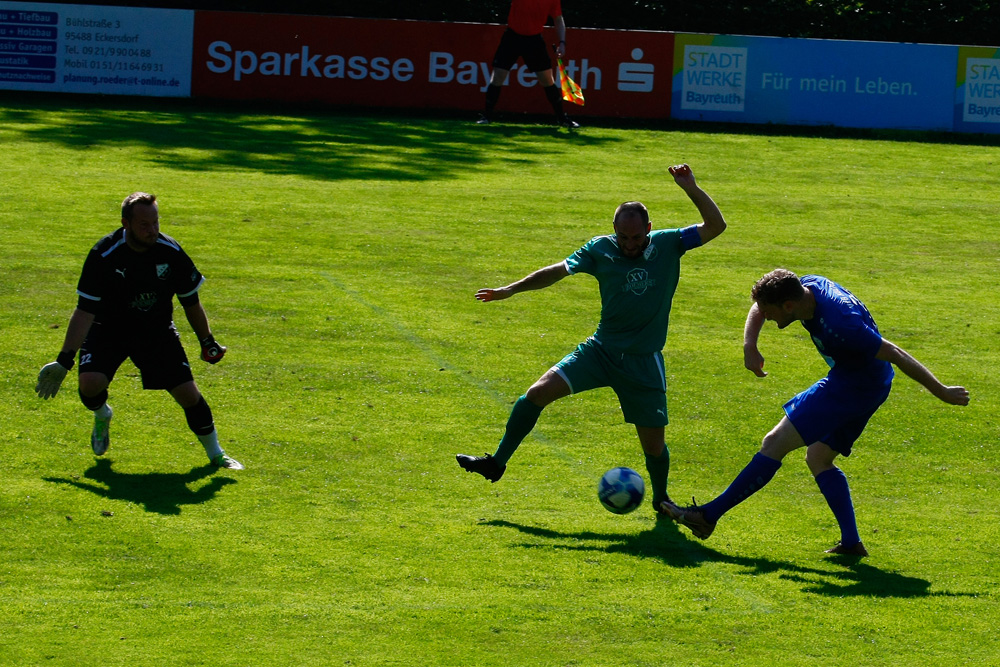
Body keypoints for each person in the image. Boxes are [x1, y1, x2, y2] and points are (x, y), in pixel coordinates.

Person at [457, 164, 727, 512]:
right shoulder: (600, 249)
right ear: (614, 231)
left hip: (643, 363)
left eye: (636, 237)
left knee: (654, 447)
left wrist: (691, 187)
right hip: (600, 352)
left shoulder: (669, 242)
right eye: (623, 237)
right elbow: (557, 270)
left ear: (648, 229)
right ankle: (496, 463)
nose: (629, 245)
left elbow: (716, 226)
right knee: (535, 394)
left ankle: (661, 500)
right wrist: (511, 289)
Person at [662, 269, 969, 556]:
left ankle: (707, 516)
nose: (766, 318)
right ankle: (851, 543)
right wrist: (749, 345)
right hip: (868, 383)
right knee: (819, 458)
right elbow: (760, 306)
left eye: (771, 313)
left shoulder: (841, 323)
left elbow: (895, 353)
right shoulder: (804, 288)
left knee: (774, 443)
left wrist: (941, 391)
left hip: (853, 386)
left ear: (789, 305)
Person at [35, 192, 244, 470]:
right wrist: (64, 360)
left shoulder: (170, 252)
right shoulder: (104, 255)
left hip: (155, 332)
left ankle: (217, 455)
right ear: (126, 224)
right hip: (107, 330)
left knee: (188, 395)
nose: (153, 230)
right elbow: (85, 311)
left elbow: (190, 301)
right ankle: (102, 414)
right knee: (90, 385)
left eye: (156, 222)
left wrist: (207, 341)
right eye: (144, 224)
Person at [478, 0, 579, 128]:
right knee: (498, 76)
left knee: (547, 80)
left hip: (534, 40)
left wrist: (562, 43)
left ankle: (562, 118)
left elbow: (558, 19)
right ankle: (486, 117)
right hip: (512, 37)